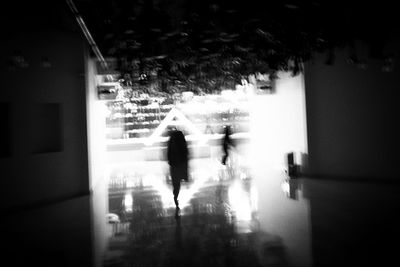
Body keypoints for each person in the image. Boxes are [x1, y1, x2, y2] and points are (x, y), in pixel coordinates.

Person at [167, 129, 189, 213]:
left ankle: (175, 195)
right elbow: (186, 153)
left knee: (175, 182)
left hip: (174, 166)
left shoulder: (171, 143)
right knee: (178, 181)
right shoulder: (182, 142)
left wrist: (170, 162)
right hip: (181, 165)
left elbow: (168, 154)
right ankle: (176, 194)